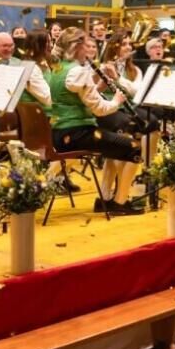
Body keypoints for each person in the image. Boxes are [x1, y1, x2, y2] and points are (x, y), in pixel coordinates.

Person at [47, 28, 143, 216]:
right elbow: (99, 109)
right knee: (134, 147)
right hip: (78, 134)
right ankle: (120, 202)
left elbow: (78, 97)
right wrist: (117, 101)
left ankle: (105, 198)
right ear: (77, 48)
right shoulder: (78, 71)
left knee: (114, 146)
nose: (90, 50)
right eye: (86, 46)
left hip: (59, 133)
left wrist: (98, 85)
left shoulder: (59, 68)